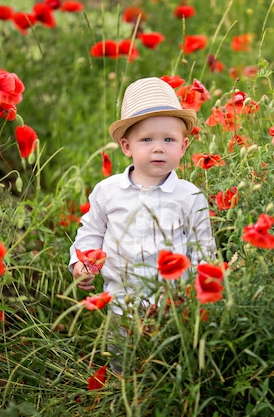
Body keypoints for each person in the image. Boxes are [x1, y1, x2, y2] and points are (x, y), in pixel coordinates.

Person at [68, 77, 216, 316]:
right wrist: (80, 264)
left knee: (169, 354)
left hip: (174, 308)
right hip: (119, 304)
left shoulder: (189, 196)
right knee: (119, 353)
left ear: (183, 147)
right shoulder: (108, 191)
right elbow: (90, 233)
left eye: (169, 139)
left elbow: (203, 251)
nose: (158, 148)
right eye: (147, 139)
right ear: (127, 147)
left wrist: (199, 295)